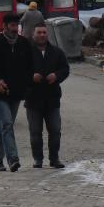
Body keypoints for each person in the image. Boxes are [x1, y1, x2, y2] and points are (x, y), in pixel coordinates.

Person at [0, 13, 33, 172]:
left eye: (16, 25)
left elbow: (29, 67)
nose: (14, 29)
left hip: (16, 93)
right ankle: (13, 159)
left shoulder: (24, 44)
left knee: (4, 127)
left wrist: (26, 87)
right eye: (11, 25)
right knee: (7, 123)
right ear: (4, 27)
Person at [25, 23, 69, 169]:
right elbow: (18, 70)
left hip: (52, 99)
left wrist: (56, 76)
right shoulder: (26, 52)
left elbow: (65, 69)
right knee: (35, 132)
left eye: (44, 32)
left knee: (55, 130)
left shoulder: (57, 52)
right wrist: (31, 76)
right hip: (33, 99)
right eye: (39, 32)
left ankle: (54, 158)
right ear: (33, 35)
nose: (42, 35)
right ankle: (38, 159)